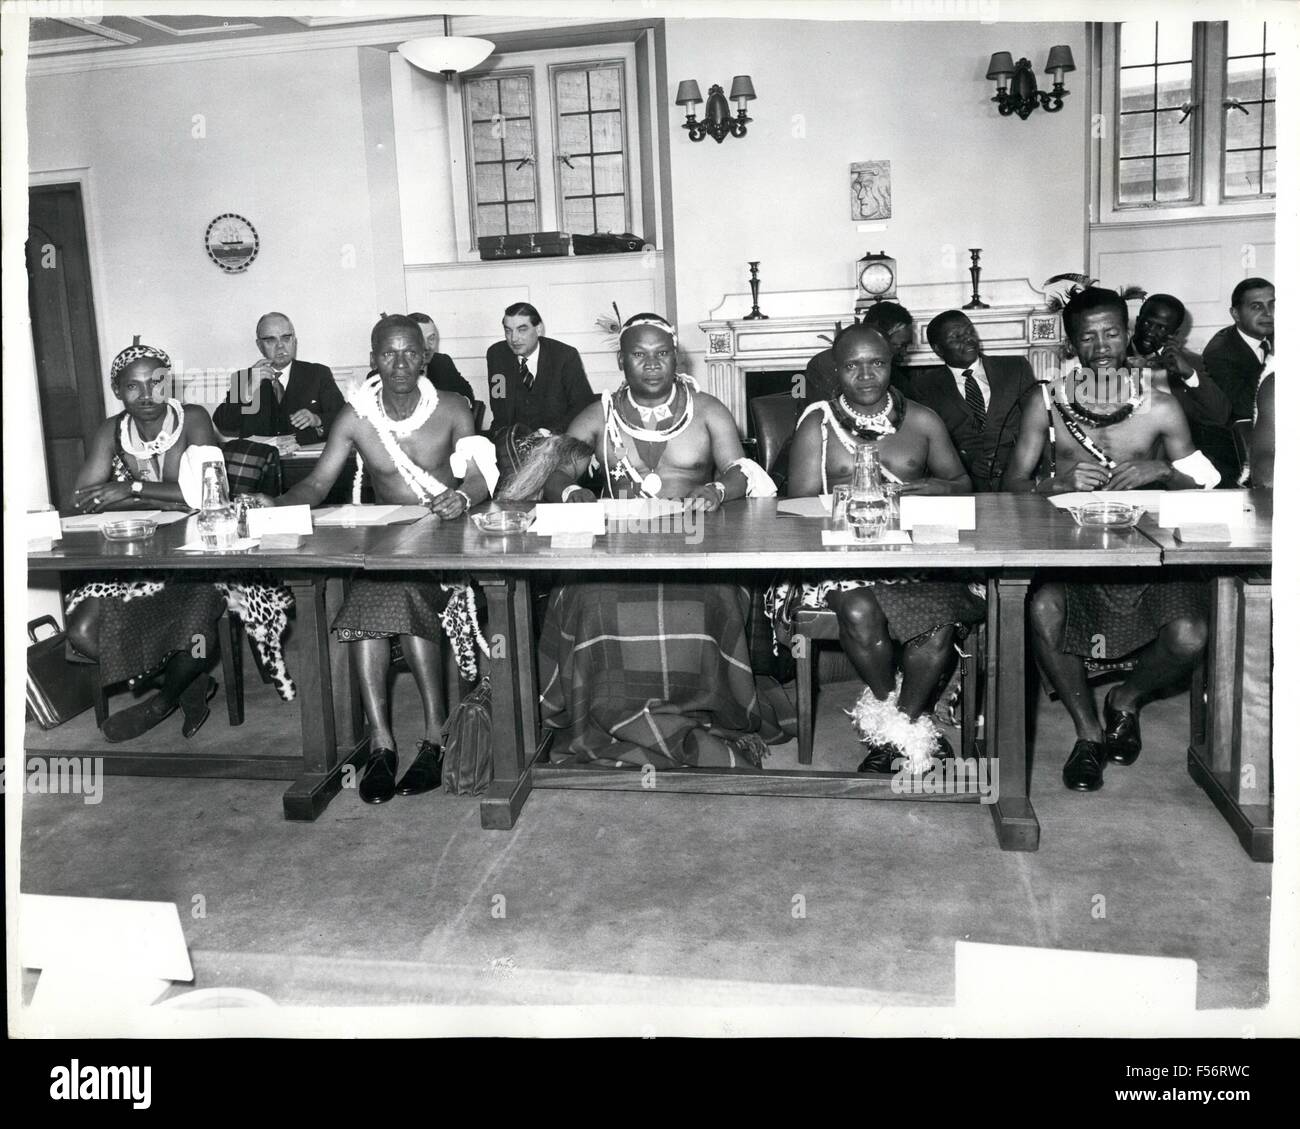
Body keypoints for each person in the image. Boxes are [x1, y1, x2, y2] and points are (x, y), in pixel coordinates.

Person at [516, 313, 788, 769]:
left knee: (715, 599)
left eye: (661, 354)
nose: (652, 364)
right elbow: (556, 471)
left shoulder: (706, 410)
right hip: (616, 548)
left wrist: (718, 490)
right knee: (586, 600)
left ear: (675, 357)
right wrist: (570, 490)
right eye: (639, 355)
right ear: (621, 360)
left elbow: (741, 471)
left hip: (696, 543)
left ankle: (703, 710)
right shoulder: (597, 414)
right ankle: (603, 714)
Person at [269, 315, 496, 805]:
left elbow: (478, 476)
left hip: (446, 551)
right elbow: (316, 484)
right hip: (388, 551)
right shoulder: (355, 417)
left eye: (410, 352)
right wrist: (271, 506)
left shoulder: (453, 407)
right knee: (376, 594)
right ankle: (382, 745)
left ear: (425, 356)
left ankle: (437, 738)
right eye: (388, 353)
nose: (399, 364)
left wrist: (463, 497)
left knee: (392, 595)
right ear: (373, 359)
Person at [1005, 287, 1216, 793]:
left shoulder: (1161, 406)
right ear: (1070, 342)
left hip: (1145, 549)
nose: (1102, 345)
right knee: (1042, 610)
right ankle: (1088, 734)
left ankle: (1125, 699)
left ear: (1127, 333)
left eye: (1112, 332)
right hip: (1070, 547)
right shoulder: (1047, 400)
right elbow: (1010, 485)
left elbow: (1207, 485)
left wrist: (1162, 469)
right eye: (1088, 335)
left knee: (1190, 635)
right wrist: (1052, 483)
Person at [773, 324, 983, 772]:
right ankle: (909, 725)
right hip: (841, 556)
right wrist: (857, 504)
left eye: (878, 363)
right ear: (836, 369)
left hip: (915, 557)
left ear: (893, 364)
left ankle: (894, 731)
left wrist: (933, 489)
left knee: (939, 624)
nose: (866, 375)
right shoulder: (819, 423)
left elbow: (963, 483)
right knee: (859, 611)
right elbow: (796, 504)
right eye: (853, 365)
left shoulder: (922, 419)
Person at [65, 343, 295, 742]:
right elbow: (83, 497)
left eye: (156, 382)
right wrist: (147, 493)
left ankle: (161, 701)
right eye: (133, 387)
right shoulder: (111, 430)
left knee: (197, 629)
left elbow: (207, 494)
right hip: (136, 560)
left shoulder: (193, 419)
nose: (147, 394)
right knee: (83, 630)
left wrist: (129, 488)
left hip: (203, 556)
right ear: (118, 391)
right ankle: (189, 685)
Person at [908, 310, 1037, 492]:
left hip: (1017, 475)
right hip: (964, 483)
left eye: (970, 332)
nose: (968, 339)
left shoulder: (1015, 367)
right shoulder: (924, 386)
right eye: (956, 337)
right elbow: (927, 442)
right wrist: (968, 462)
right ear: (938, 349)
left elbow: (1037, 422)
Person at [1127, 293, 1237, 484]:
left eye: (1161, 328)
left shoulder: (1190, 362)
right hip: (1131, 461)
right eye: (1147, 323)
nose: (1151, 332)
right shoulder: (1112, 359)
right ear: (1137, 321)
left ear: (1174, 334)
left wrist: (1188, 374)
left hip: (1179, 465)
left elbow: (1221, 415)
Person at [214, 312, 345, 444]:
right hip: (260, 461)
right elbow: (223, 424)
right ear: (259, 345)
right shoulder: (244, 378)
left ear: (294, 341)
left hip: (305, 462)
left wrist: (317, 419)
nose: (280, 346)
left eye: (286, 338)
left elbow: (343, 417)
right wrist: (248, 390)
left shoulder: (317, 373)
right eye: (271, 340)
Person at [485, 302, 596, 440]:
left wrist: (548, 434)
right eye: (508, 330)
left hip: (555, 440)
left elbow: (582, 405)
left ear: (538, 329)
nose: (514, 338)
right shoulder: (497, 355)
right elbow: (498, 401)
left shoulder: (565, 356)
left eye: (522, 329)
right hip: (511, 440)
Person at [804, 301, 914, 403]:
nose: (904, 353)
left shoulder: (895, 375)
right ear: (879, 337)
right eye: (900, 346)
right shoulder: (827, 363)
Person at [1202, 277, 1275, 421]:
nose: (1268, 313)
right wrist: (1274, 356)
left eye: (1273, 305)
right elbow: (1243, 408)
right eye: (1257, 306)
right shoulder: (1219, 352)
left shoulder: (1277, 333)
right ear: (1236, 314)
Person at [407, 311, 478, 410]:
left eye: (431, 338)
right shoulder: (389, 369)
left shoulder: (442, 362)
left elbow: (466, 393)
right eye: (419, 340)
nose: (427, 346)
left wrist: (460, 404)